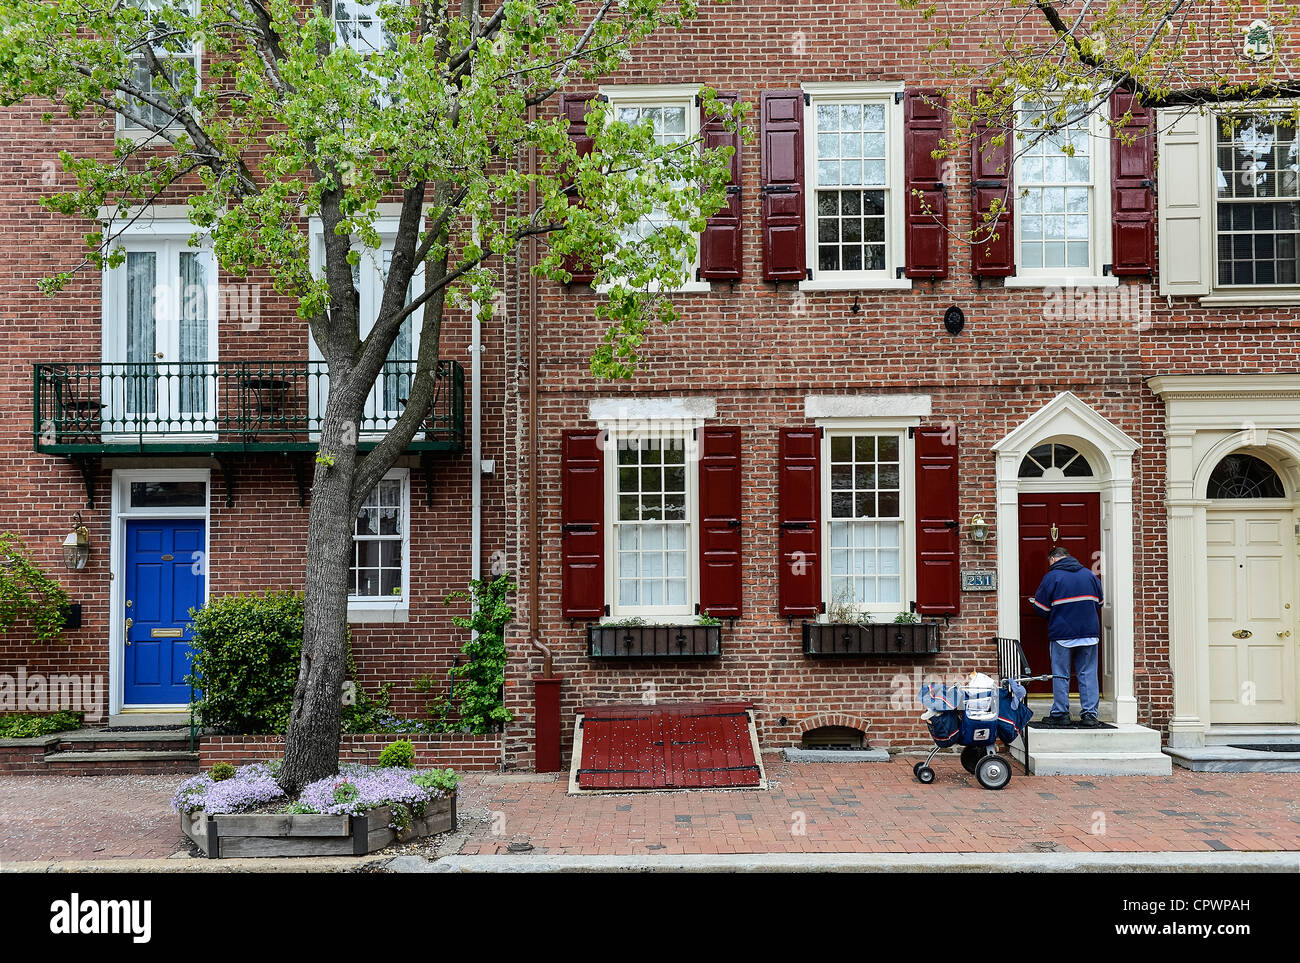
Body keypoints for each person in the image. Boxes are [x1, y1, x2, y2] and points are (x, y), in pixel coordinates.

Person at [1030, 546, 1104, 728]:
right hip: (1089, 633)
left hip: (1062, 634)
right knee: (1087, 674)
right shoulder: (1089, 575)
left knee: (1061, 674)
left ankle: (1061, 714)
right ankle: (1089, 715)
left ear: (1054, 560)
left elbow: (1042, 608)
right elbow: (1099, 603)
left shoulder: (1052, 577)